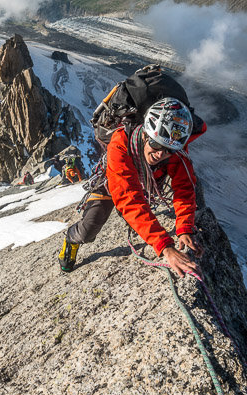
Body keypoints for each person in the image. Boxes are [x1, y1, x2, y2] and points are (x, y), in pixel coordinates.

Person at [58, 98, 206, 277]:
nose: (160, 154)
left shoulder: (173, 146)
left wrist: (184, 227)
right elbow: (128, 198)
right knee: (89, 228)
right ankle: (72, 238)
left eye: (168, 150)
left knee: (137, 217)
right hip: (110, 180)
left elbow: (185, 188)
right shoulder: (120, 143)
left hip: (144, 183)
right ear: (145, 134)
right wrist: (165, 247)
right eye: (156, 144)